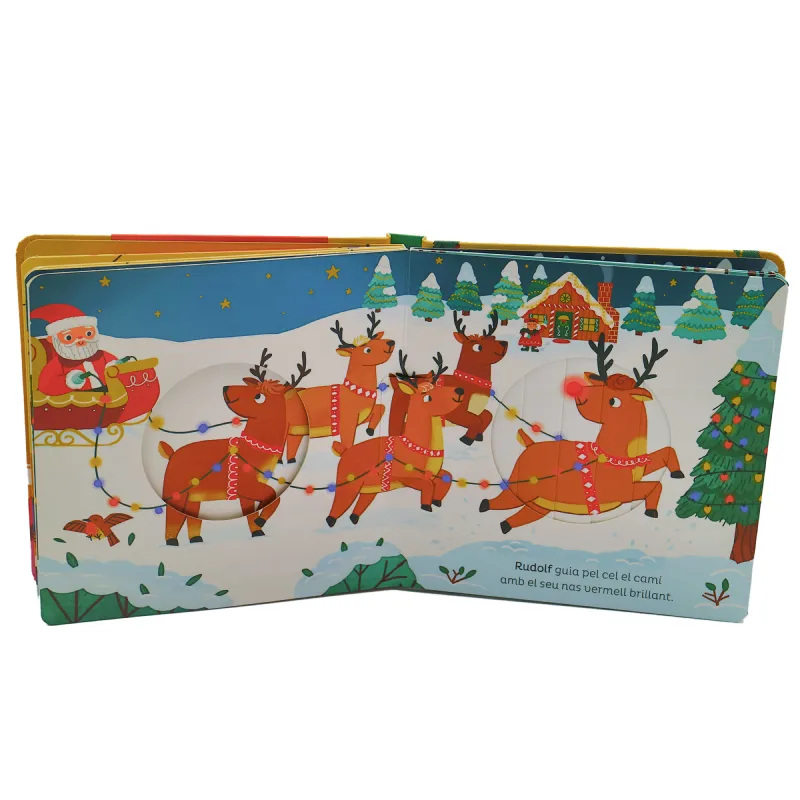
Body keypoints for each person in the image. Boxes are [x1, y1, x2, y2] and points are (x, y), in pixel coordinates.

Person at [30, 304, 131, 395]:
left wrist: (117, 365)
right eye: (69, 337)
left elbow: (117, 369)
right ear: (52, 340)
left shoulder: (102, 355)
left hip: (108, 395)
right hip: (80, 400)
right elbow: (45, 386)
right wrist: (69, 381)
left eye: (88, 334)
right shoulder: (59, 364)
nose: (81, 340)